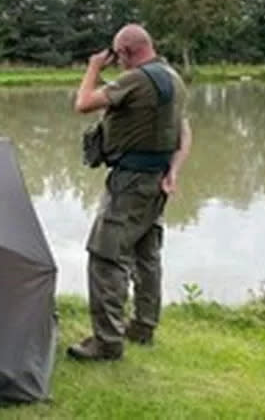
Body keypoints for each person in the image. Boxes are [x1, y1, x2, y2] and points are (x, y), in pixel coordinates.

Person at [67, 23, 192, 362]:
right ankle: (143, 326)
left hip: (130, 182)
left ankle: (107, 342)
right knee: (146, 254)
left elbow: (83, 103)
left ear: (125, 52)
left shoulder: (136, 79)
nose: (116, 62)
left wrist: (93, 68)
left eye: (117, 55)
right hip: (157, 180)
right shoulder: (174, 79)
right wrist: (173, 173)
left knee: (105, 256)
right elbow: (185, 135)